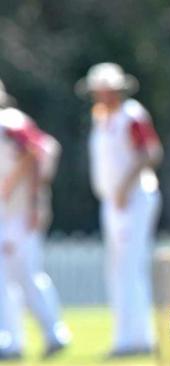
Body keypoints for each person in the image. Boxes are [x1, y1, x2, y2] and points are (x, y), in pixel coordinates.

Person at [76, 62, 163, 357]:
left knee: (130, 266)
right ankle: (125, 336)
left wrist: (126, 186)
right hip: (113, 201)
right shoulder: (101, 118)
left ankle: (138, 338)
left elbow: (150, 152)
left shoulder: (131, 114)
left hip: (134, 197)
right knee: (117, 268)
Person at [0, 81, 71, 359]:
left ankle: (54, 333)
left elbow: (36, 151)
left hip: (20, 212)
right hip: (7, 213)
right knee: (5, 277)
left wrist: (19, 190)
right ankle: (11, 340)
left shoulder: (10, 122)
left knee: (27, 274)